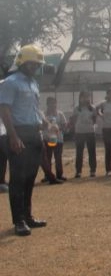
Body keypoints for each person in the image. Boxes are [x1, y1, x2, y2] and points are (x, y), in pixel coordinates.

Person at [0, 45, 49, 237]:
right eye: (31, 63)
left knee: (30, 177)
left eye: (37, 64)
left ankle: (28, 216)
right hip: (18, 134)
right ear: (22, 62)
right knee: (18, 179)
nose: (34, 67)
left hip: (34, 134)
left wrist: (44, 122)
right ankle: (18, 221)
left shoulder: (33, 83)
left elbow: (35, 108)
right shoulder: (10, 82)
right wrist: (13, 136)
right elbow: (4, 110)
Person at [71, 91, 98, 177]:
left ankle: (93, 171)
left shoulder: (93, 108)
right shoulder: (76, 108)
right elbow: (73, 120)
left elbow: (95, 120)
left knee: (92, 152)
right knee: (79, 152)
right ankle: (78, 171)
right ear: (80, 98)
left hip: (90, 132)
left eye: (87, 97)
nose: (85, 99)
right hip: (79, 132)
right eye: (83, 97)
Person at [43, 96, 67, 183]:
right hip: (47, 139)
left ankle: (59, 175)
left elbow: (64, 125)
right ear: (47, 104)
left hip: (58, 139)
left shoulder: (60, 114)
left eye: (54, 103)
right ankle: (48, 176)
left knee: (58, 158)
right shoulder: (43, 114)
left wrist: (57, 128)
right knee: (47, 158)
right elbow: (41, 125)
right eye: (50, 103)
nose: (53, 105)